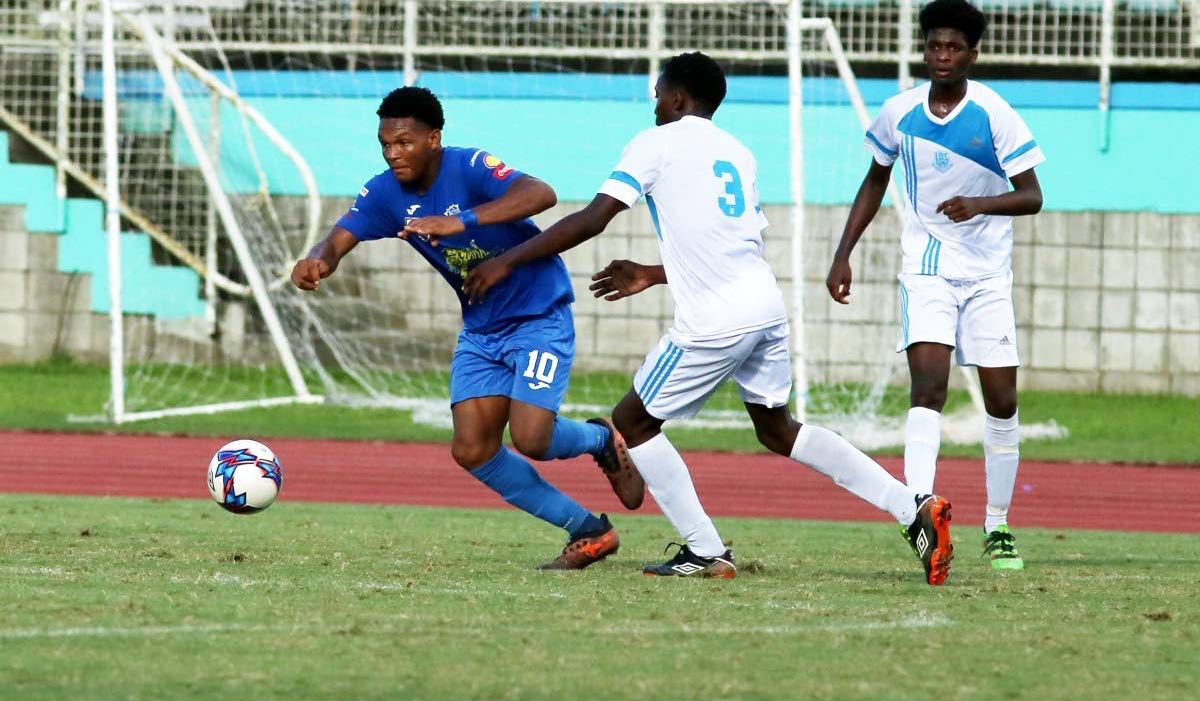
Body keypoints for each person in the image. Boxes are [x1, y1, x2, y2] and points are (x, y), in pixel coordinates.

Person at [463, 52, 954, 585]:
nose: (654, 106)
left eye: (657, 96)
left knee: (632, 422)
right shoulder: (737, 151)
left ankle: (705, 550)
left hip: (714, 319)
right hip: (764, 306)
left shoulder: (656, 142)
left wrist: (507, 260)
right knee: (778, 429)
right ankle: (913, 509)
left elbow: (594, 218)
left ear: (676, 98)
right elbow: (732, 245)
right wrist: (653, 272)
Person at [291, 86, 643, 570]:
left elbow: (542, 193)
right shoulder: (384, 193)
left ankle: (601, 439)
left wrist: (464, 221)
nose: (394, 154)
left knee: (533, 439)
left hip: (539, 316)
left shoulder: (471, 165)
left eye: (404, 142)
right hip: (482, 330)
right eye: (385, 144)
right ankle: (588, 531)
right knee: (472, 449)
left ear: (433, 138)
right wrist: (317, 261)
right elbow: (340, 236)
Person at [826, 0, 1044, 571]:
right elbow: (874, 181)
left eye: (953, 48)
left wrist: (978, 204)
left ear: (973, 54)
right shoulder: (899, 111)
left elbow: (1033, 195)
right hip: (926, 270)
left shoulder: (995, 113)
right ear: (924, 51)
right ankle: (921, 511)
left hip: (988, 277)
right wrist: (843, 253)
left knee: (1002, 402)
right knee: (928, 389)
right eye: (934, 46)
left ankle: (997, 524)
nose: (942, 56)